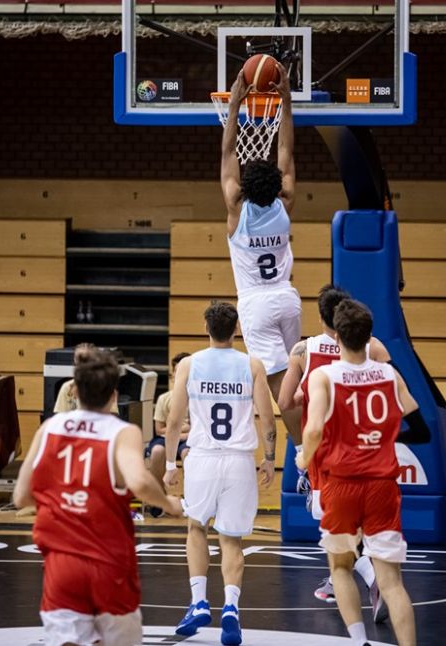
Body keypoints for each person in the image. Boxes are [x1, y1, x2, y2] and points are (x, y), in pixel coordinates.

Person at [14, 348, 183, 646]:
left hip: (62, 563)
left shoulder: (49, 428)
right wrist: (168, 503)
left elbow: (21, 496)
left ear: (74, 390)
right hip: (108, 561)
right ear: (114, 394)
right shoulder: (121, 432)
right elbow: (139, 482)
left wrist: (66, 499)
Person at [296, 299, 419, 646]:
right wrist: (381, 438)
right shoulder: (389, 374)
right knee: (393, 583)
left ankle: (359, 640)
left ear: (336, 336)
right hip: (382, 485)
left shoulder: (324, 376)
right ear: (369, 338)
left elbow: (313, 429)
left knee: (339, 568)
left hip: (341, 484)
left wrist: (304, 459)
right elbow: (417, 423)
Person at [163, 301, 277, 646]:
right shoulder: (252, 365)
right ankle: (231, 608)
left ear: (206, 328)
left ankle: (199, 602)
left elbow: (173, 421)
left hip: (203, 458)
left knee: (196, 527)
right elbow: (268, 420)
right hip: (239, 460)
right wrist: (269, 458)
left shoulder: (189, 364)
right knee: (231, 539)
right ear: (236, 329)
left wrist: (169, 465)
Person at [278, 285, 393, 615]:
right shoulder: (373, 346)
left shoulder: (304, 350)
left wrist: (307, 398)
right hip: (367, 445)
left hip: (327, 450)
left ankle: (370, 578)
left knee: (335, 525)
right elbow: (392, 389)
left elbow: (285, 402)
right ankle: (352, 578)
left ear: (320, 316)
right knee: (357, 523)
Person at [220, 63, 303, 455]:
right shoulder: (285, 203)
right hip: (287, 298)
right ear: (275, 185)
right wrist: (285, 101)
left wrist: (235, 104)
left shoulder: (237, 211)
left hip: (256, 304)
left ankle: (304, 453)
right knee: (297, 381)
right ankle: (313, 438)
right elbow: (285, 150)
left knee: (281, 392)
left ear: (244, 188)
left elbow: (228, 153)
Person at [146, 351, 192, 518]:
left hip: (188, 439)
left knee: (188, 453)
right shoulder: (164, 398)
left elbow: (199, 428)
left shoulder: (197, 398)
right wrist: (180, 430)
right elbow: (159, 430)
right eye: (178, 371)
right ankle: (159, 499)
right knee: (157, 451)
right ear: (173, 375)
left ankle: (191, 499)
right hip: (168, 437)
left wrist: (181, 432)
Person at [53, 342, 114, 414]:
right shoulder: (67, 387)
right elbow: (60, 416)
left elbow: (112, 415)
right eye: (79, 358)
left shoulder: (105, 386)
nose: (82, 362)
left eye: (86, 358)